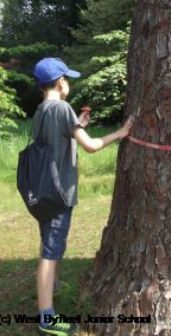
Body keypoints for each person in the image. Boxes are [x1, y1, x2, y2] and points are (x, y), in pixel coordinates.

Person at [32, 57, 133, 335]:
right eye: (68, 80)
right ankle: (46, 317)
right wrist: (121, 133)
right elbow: (90, 147)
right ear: (61, 82)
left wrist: (77, 125)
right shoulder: (62, 108)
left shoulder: (42, 110)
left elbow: (57, 140)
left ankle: (48, 289)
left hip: (40, 192)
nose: (69, 85)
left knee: (48, 244)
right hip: (59, 194)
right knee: (50, 254)